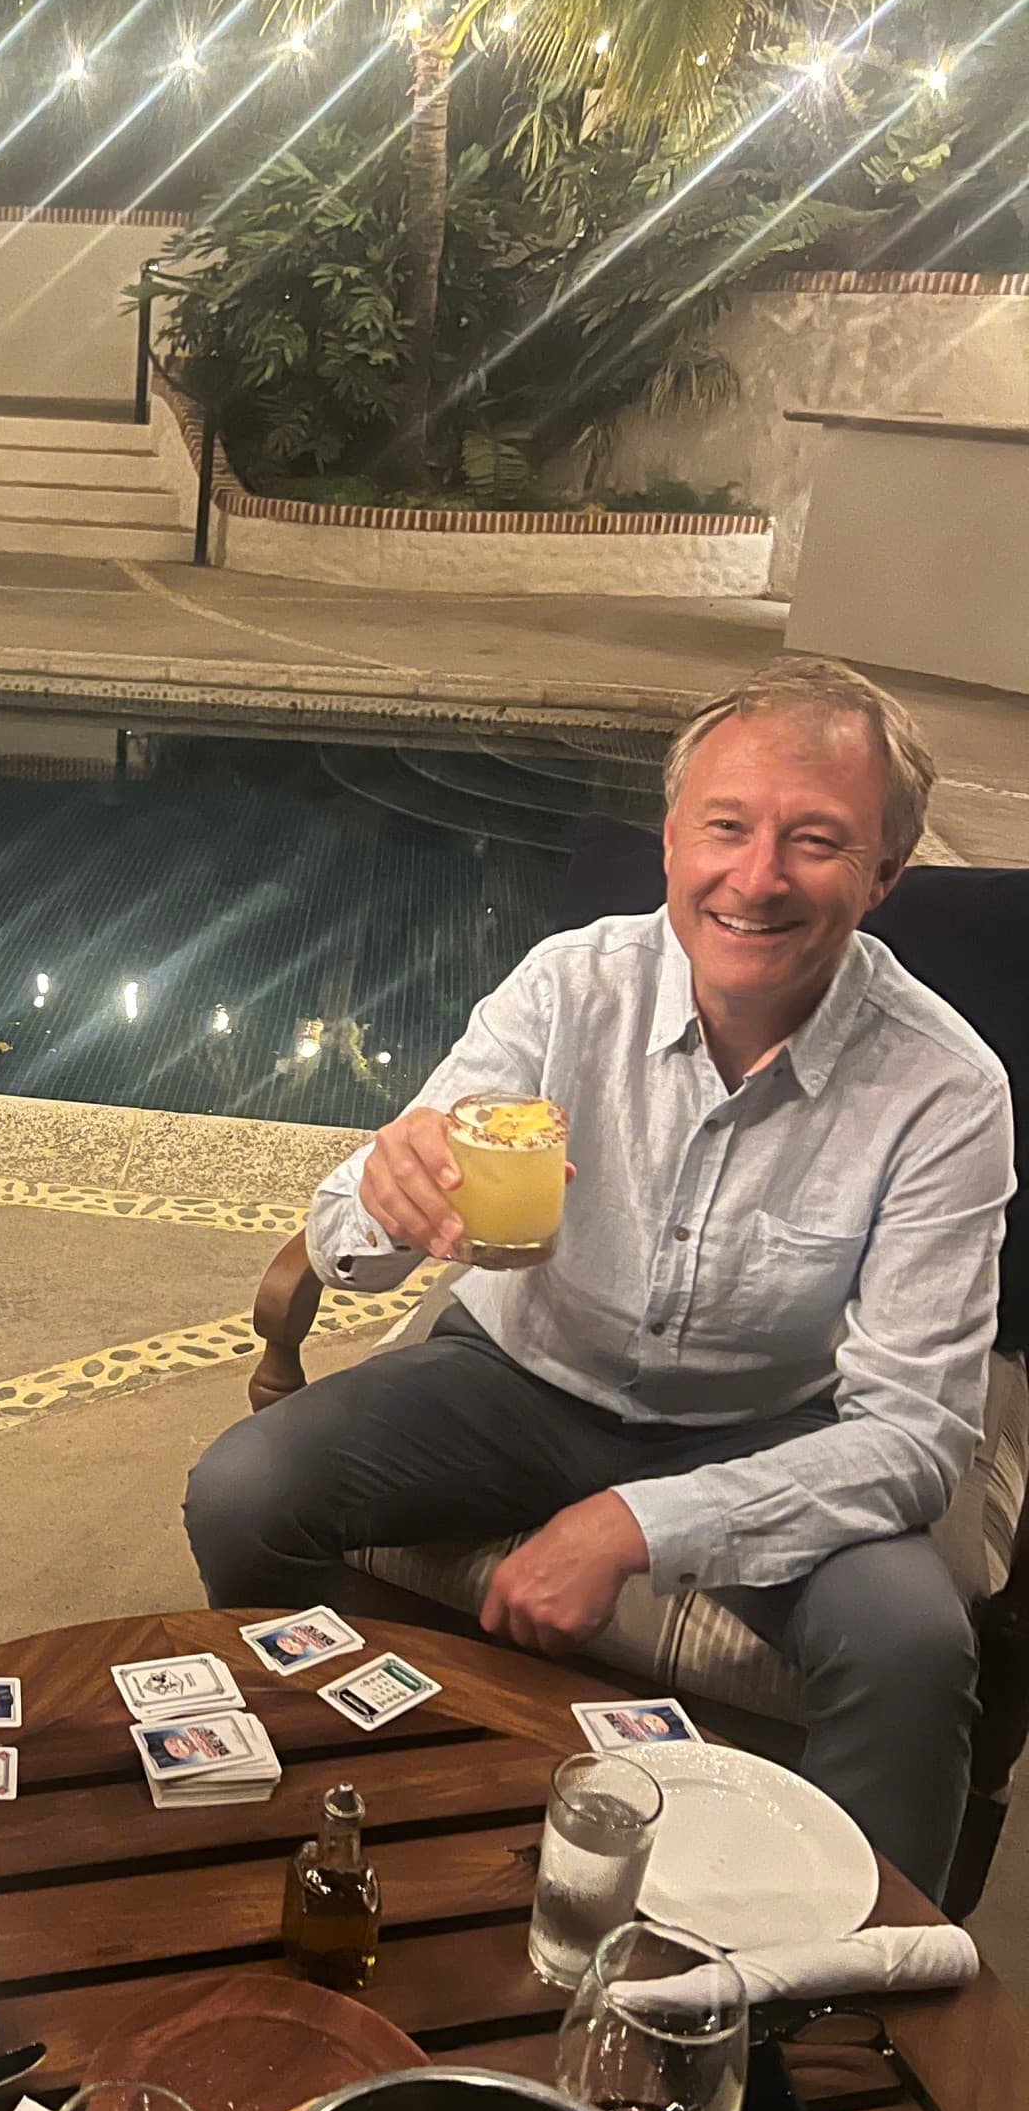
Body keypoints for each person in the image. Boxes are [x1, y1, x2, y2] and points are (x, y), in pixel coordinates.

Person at [186, 657, 1013, 1901]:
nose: (754, 877)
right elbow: (355, 1240)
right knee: (242, 1489)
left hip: (775, 1425)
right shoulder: (569, 984)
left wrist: (633, 1526)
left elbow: (909, 1436)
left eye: (815, 841)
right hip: (520, 1373)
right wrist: (382, 1194)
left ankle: (855, 2006)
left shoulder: (946, 1091)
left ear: (884, 872)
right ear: (672, 838)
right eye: (723, 828)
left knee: (907, 1646)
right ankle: (358, 1793)